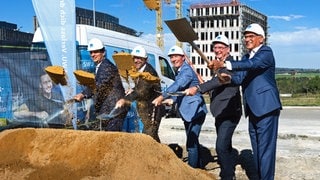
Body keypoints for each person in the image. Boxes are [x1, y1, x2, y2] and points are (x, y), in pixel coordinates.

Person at [211, 23, 282, 180]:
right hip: (252, 109)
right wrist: (225, 77)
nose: (247, 39)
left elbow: (253, 64)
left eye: (251, 36)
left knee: (266, 150)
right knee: (257, 149)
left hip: (266, 107)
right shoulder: (245, 57)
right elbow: (239, 78)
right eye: (246, 36)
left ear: (261, 39)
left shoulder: (265, 52)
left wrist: (224, 63)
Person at [185, 34, 242, 179]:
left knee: (220, 147)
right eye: (215, 47)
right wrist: (197, 74)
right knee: (226, 146)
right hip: (220, 113)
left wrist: (198, 88)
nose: (217, 50)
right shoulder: (217, 66)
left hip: (230, 112)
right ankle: (229, 172)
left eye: (221, 47)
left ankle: (227, 176)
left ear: (228, 49)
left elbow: (218, 82)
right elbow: (213, 84)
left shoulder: (230, 65)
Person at [152, 45, 207, 168]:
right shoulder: (180, 71)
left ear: (183, 57)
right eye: (171, 57)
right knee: (193, 141)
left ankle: (192, 170)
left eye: (176, 56)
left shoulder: (186, 71)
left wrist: (162, 97)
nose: (173, 59)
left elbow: (178, 85)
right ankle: (199, 168)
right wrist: (172, 100)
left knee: (191, 143)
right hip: (189, 112)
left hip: (195, 111)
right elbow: (181, 91)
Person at [74, 38, 127, 131]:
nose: (93, 55)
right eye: (91, 52)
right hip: (108, 109)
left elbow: (99, 86)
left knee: (111, 138)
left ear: (103, 52)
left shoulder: (106, 66)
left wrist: (83, 94)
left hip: (114, 109)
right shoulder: (99, 66)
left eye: (96, 52)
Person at [116, 45, 165, 142]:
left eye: (139, 58)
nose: (136, 61)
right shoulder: (140, 70)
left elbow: (141, 91)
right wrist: (132, 90)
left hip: (153, 109)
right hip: (146, 108)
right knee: (151, 136)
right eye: (134, 58)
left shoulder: (148, 72)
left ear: (145, 59)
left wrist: (125, 99)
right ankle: (161, 155)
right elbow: (139, 88)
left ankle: (159, 156)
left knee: (149, 137)